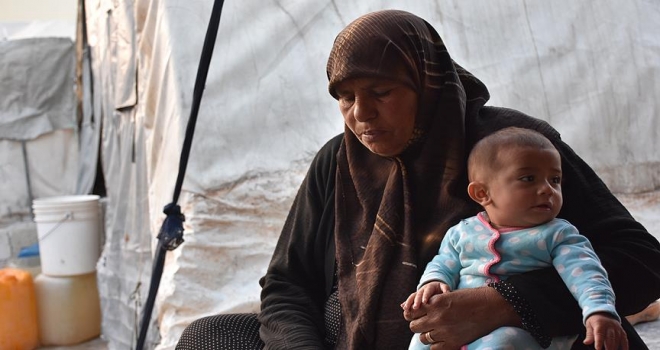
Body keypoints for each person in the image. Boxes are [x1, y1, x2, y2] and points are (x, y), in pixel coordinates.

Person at [176, 9, 660, 349]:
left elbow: (640, 262)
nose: (360, 115)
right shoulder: (338, 163)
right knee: (210, 337)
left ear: (426, 83)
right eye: (344, 97)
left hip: (514, 336)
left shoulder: (511, 149)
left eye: (381, 91)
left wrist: (505, 303)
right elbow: (287, 284)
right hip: (370, 335)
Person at [402, 127, 626, 350]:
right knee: (421, 341)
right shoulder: (462, 232)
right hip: (457, 326)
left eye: (555, 179)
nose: (547, 189)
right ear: (482, 193)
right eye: (529, 178)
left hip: (524, 330)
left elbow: (586, 272)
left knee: (504, 342)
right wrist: (432, 283)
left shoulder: (559, 234)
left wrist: (599, 310)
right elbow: (443, 263)